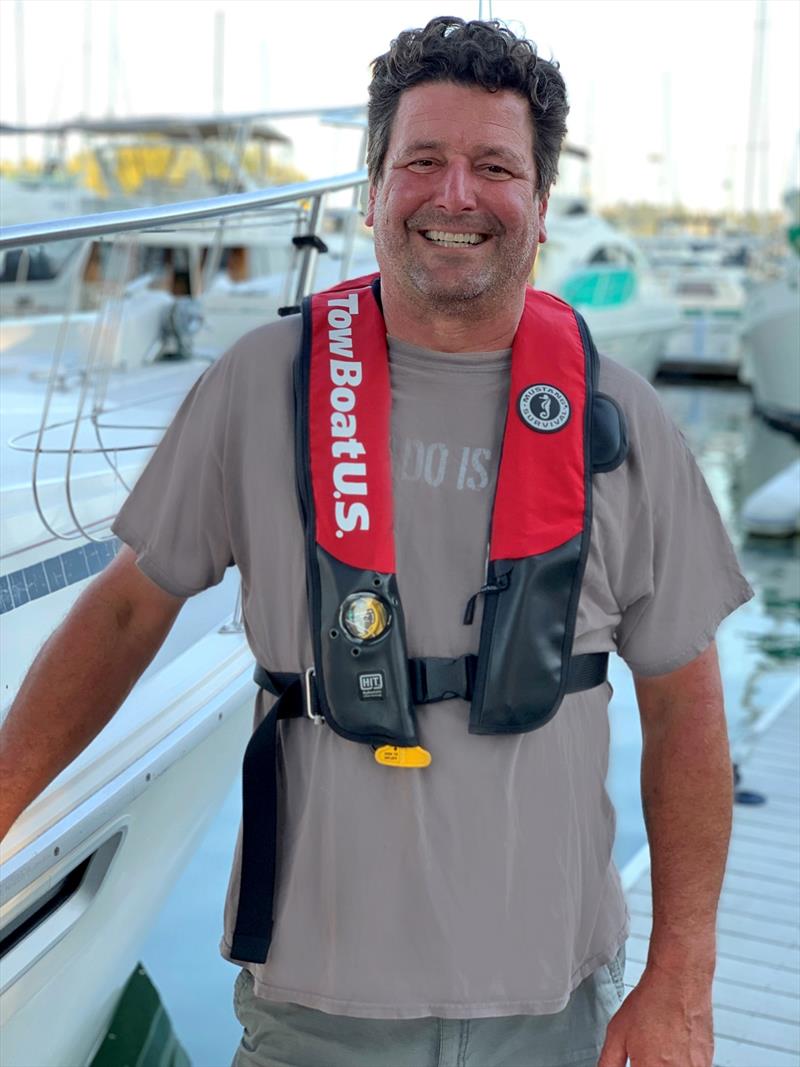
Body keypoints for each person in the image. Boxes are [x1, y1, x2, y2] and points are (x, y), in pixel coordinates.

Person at [0, 17, 753, 1067]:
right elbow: (128, 609)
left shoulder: (621, 420)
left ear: (538, 206)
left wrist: (681, 973)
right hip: (314, 1003)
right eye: (422, 161)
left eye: (494, 166)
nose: (455, 196)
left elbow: (684, 712)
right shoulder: (258, 385)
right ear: (370, 192)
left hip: (550, 1003)